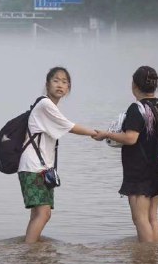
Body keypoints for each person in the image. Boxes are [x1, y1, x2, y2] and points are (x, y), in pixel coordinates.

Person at [19, 67, 100, 244]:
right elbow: (70, 127)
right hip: (34, 167)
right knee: (44, 213)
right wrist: (96, 133)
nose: (60, 85)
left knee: (37, 214)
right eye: (56, 80)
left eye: (64, 82)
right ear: (47, 84)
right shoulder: (45, 105)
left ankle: (29, 249)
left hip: (38, 168)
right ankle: (30, 252)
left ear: (68, 88)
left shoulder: (50, 106)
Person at [94, 66, 158, 242]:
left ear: (134, 85)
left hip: (139, 171)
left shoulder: (137, 108)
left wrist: (106, 134)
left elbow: (131, 138)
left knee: (140, 219)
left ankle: (146, 261)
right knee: (152, 218)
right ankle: (155, 260)